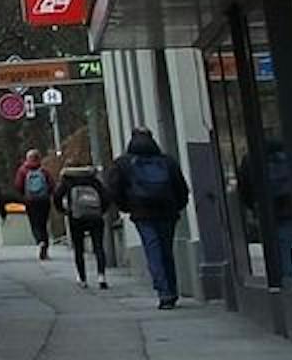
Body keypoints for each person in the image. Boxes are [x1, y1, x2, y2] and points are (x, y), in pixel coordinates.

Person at [115, 127, 189, 308]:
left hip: (142, 214)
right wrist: (176, 206)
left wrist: (128, 207)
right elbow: (181, 188)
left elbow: (115, 190)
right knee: (166, 251)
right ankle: (172, 290)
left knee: (152, 250)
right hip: (167, 213)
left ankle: (164, 292)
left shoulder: (124, 163)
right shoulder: (167, 162)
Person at [57, 154, 114, 288]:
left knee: (79, 249)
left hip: (76, 217)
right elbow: (105, 197)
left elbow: (57, 196)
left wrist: (64, 211)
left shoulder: (67, 180)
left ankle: (82, 278)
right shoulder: (92, 178)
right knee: (98, 246)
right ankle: (101, 276)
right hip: (95, 217)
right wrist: (100, 211)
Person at [17, 150, 58, 259]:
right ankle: (45, 247)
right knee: (43, 224)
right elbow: (52, 185)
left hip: (30, 201)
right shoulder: (44, 171)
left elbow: (18, 185)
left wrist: (24, 196)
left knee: (34, 223)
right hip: (44, 201)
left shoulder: (23, 170)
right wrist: (47, 194)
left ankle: (39, 241)